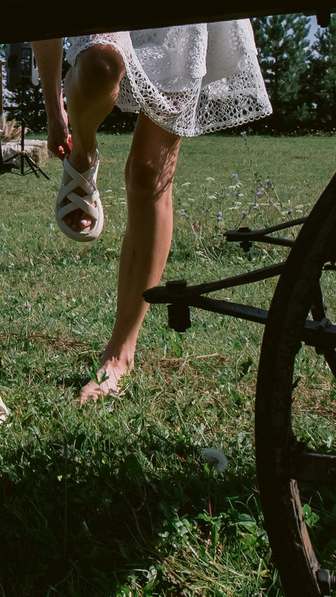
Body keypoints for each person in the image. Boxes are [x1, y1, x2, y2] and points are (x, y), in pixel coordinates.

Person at [30, 26, 272, 401]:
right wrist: (55, 116)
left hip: (177, 14)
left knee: (148, 172)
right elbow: (45, 9)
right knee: (98, 66)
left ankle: (120, 353)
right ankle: (83, 150)